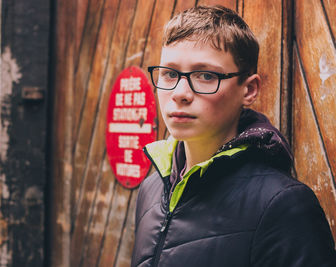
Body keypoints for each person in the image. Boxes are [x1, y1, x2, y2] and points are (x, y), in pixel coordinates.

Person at [131, 5, 336, 267]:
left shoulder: (284, 205)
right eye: (170, 74)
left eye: (206, 75)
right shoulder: (151, 189)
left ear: (249, 90)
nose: (180, 93)